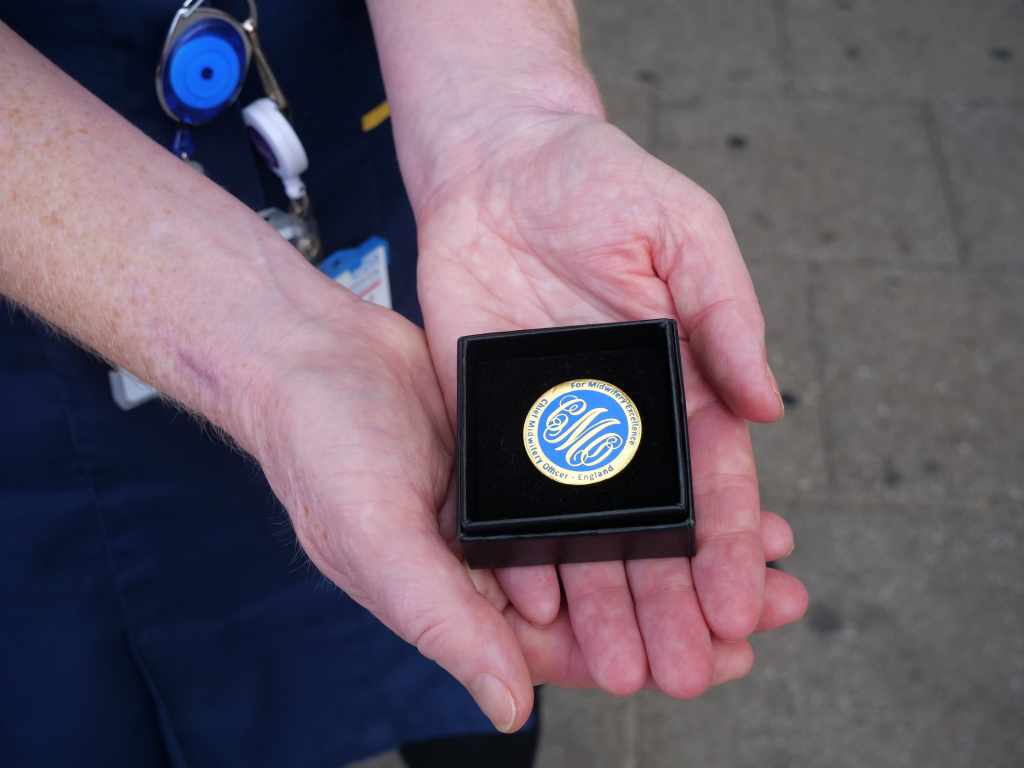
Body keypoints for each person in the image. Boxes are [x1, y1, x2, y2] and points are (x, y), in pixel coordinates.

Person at [0, 1, 808, 765]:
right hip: (37, 273)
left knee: (462, 632)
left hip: (385, 150)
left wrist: (509, 119)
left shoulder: (485, 272)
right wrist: (263, 340)